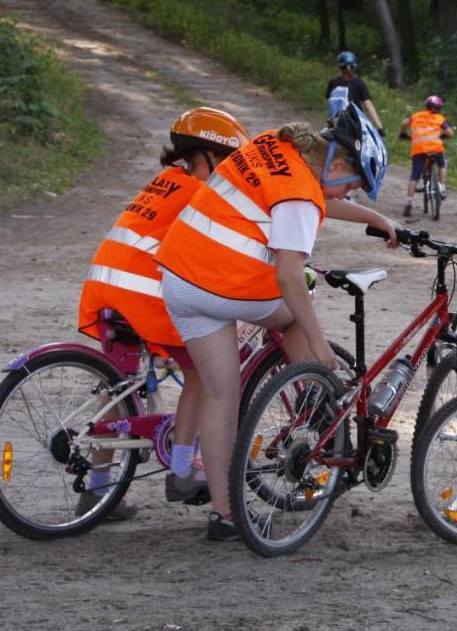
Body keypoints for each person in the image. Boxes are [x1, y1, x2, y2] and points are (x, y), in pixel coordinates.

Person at [154, 105, 398, 541]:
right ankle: (316, 391)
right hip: (221, 281)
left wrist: (374, 219)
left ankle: (225, 516)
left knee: (220, 394)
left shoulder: (276, 146)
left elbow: (322, 199)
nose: (351, 193)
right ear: (337, 164)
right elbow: (288, 272)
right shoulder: (302, 194)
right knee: (294, 314)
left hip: (179, 278)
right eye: (355, 184)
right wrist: (320, 343)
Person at [77, 107, 251, 519]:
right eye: (226, 164)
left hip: (107, 289)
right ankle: (182, 470)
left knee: (116, 385)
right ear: (209, 157)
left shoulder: (164, 181)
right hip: (143, 293)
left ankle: (99, 491)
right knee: (202, 373)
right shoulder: (200, 192)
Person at [399, 95, 454, 218]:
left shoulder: (416, 116)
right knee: (442, 164)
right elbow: (450, 133)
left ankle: (408, 202)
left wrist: (403, 133)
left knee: (415, 175)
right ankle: (442, 187)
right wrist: (443, 136)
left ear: (426, 106)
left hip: (419, 149)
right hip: (435, 147)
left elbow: (404, 123)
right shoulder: (440, 119)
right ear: (439, 108)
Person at [324, 50, 384, 134]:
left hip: (335, 123)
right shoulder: (358, 83)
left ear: (340, 67)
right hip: (355, 123)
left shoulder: (333, 83)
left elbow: (330, 105)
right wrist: (379, 126)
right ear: (354, 67)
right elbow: (368, 105)